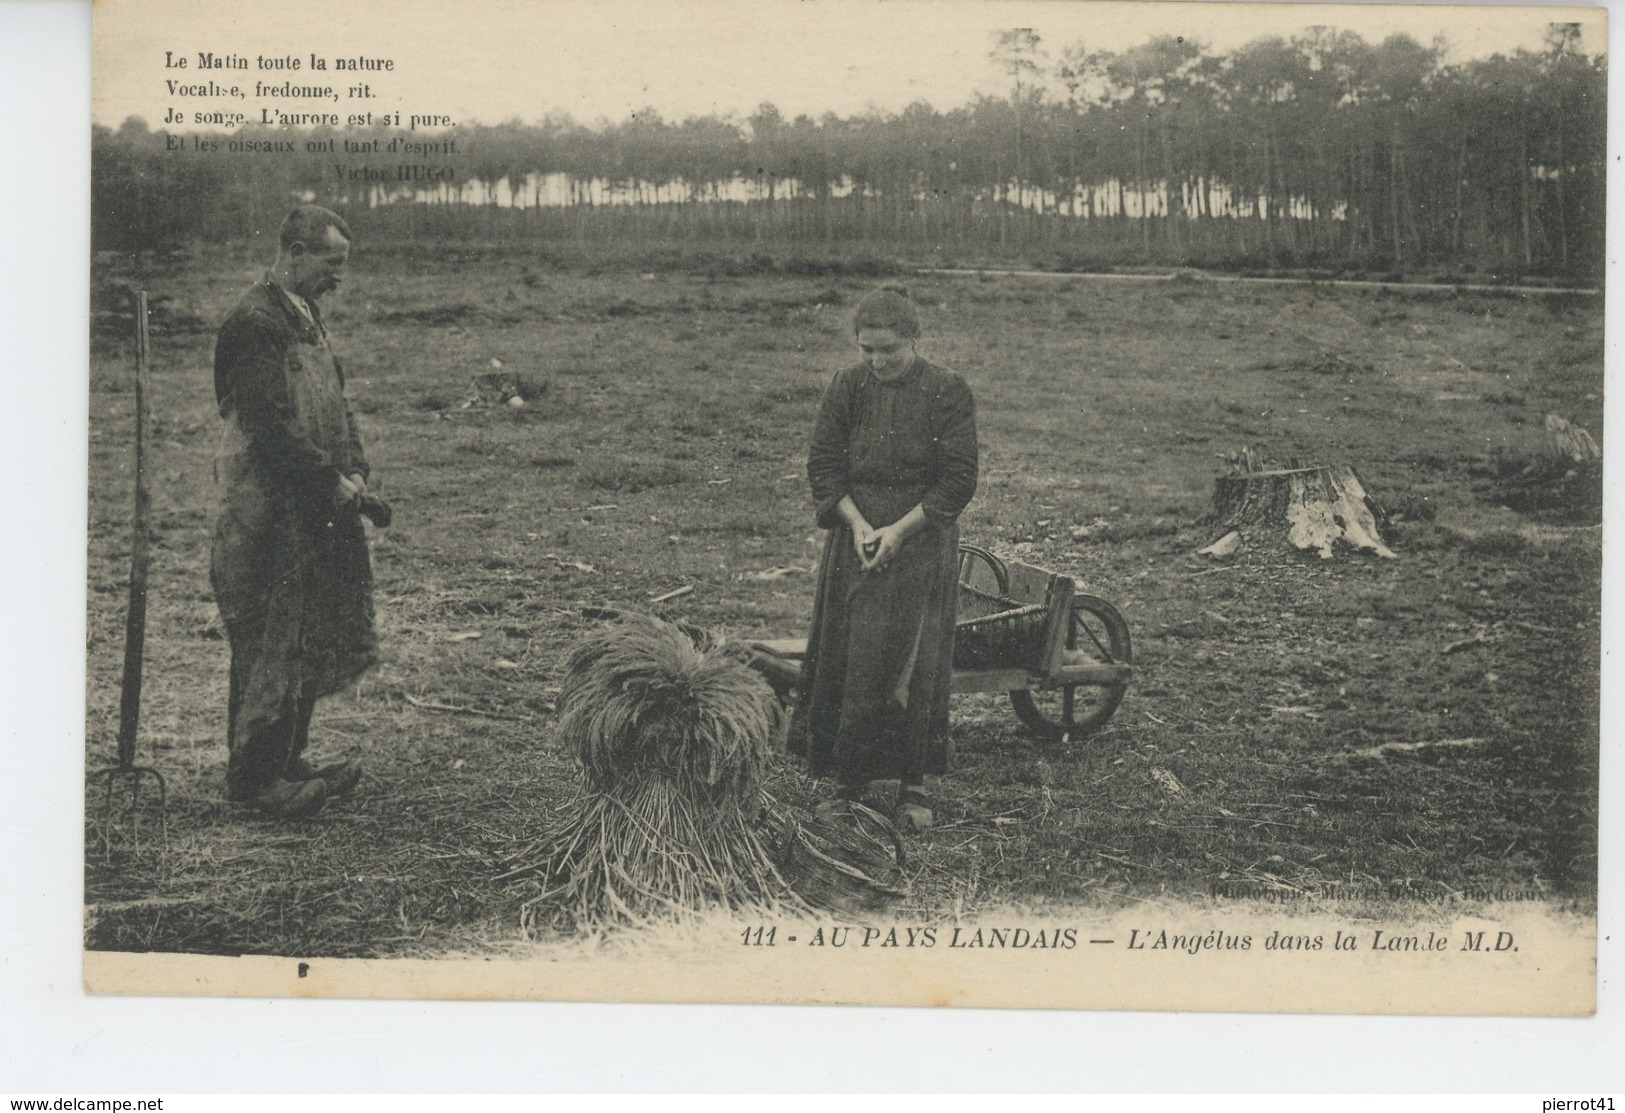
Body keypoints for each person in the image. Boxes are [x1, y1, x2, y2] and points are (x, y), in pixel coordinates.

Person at [211, 204, 383, 819]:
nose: (339, 276)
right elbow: (269, 426)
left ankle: (288, 762)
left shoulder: (306, 314)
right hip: (269, 510)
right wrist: (326, 481)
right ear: (296, 252)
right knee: (269, 641)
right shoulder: (255, 323)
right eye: (331, 264)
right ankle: (255, 783)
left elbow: (339, 405)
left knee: (310, 632)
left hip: (316, 504)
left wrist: (355, 469)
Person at [791, 286, 979, 831]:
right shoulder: (848, 387)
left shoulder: (947, 391)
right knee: (851, 658)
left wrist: (900, 531)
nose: (877, 361)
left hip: (920, 540)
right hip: (857, 537)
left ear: (915, 340)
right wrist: (857, 525)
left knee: (914, 663)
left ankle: (912, 785)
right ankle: (846, 781)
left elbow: (958, 478)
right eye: (866, 350)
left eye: (888, 350)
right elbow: (824, 463)